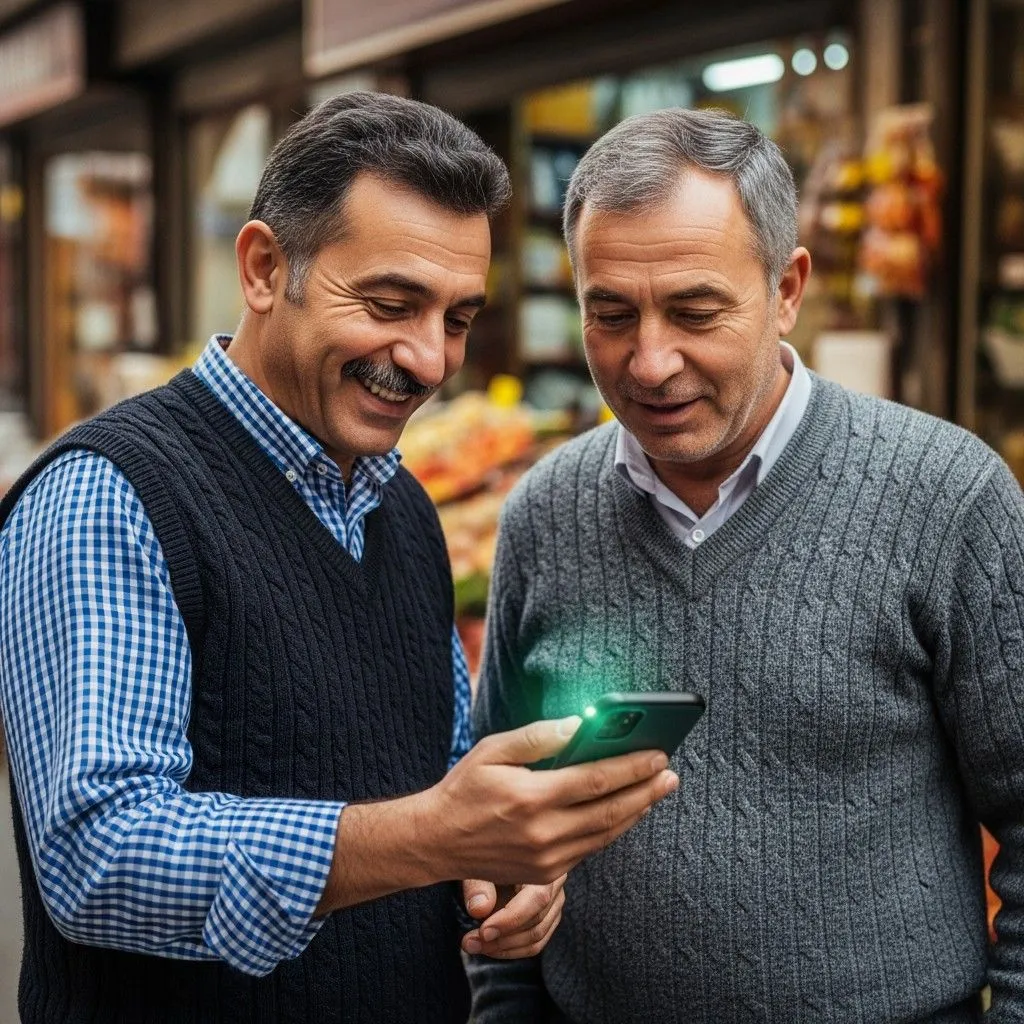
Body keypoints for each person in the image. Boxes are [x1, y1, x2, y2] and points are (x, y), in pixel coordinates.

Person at [0, 92, 679, 1024]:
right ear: (265, 268)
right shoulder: (107, 495)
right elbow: (99, 854)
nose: (431, 360)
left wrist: (492, 866)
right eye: (392, 304)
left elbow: (434, 780)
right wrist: (427, 837)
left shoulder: (400, 505)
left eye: (456, 318)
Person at [467, 106, 1024, 1023]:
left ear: (787, 288)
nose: (650, 362)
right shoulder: (544, 512)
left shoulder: (949, 497)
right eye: (610, 314)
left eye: (695, 312)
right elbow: (503, 824)